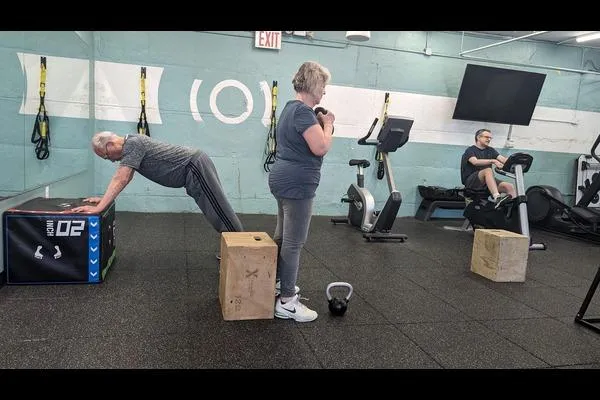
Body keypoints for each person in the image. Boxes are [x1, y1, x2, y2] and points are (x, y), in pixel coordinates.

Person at [70, 132, 244, 234]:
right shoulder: (131, 148)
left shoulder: (132, 144)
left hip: (194, 165)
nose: (110, 160)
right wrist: (103, 200)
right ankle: (234, 247)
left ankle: (243, 249)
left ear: (110, 144)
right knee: (212, 210)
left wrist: (99, 208)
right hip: (191, 169)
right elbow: (125, 178)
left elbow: (121, 178)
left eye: (106, 156)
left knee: (218, 208)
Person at [268, 61, 335, 322]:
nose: (325, 92)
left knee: (284, 238)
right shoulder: (304, 113)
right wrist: (327, 124)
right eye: (324, 86)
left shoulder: (289, 109)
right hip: (296, 184)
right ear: (315, 85)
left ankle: (276, 284)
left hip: (282, 179)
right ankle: (287, 302)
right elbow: (320, 147)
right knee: (294, 242)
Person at [460, 128, 516, 209]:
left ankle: (513, 211)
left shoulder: (491, 150)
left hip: (487, 183)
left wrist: (516, 160)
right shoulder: (470, 150)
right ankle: (497, 198)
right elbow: (475, 162)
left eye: (490, 138)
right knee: (488, 170)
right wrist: (493, 161)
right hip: (472, 183)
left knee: (509, 186)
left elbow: (503, 160)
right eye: (486, 137)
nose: (489, 139)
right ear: (478, 137)